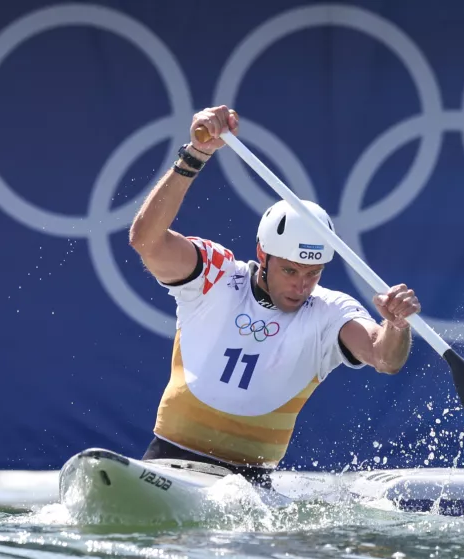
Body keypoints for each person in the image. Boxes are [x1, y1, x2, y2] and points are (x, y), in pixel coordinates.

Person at [128, 105, 421, 487]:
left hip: (249, 491)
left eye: (313, 273)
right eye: (290, 270)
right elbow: (146, 241)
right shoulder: (216, 274)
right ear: (263, 255)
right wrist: (195, 155)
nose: (302, 284)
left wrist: (396, 325)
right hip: (168, 467)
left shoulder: (329, 313)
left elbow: (385, 358)